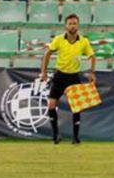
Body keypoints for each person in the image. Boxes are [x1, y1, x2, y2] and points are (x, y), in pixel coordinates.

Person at [39, 14, 95, 145]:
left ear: (78, 25)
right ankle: (55, 136)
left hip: (74, 76)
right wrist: (43, 71)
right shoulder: (58, 39)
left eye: (75, 23)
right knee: (51, 104)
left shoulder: (83, 41)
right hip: (60, 75)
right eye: (70, 23)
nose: (72, 26)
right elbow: (47, 53)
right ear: (66, 25)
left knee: (76, 108)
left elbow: (92, 56)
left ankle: (75, 138)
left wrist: (92, 72)